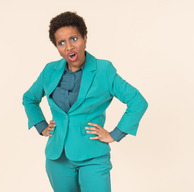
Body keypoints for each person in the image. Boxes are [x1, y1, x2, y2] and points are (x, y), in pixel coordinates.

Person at [22, 11, 148, 192]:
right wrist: (41, 126)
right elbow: (29, 99)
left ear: (85, 38)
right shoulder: (50, 71)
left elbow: (137, 101)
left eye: (74, 39)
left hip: (93, 157)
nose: (69, 47)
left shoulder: (104, 70)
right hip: (57, 159)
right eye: (61, 43)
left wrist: (115, 134)